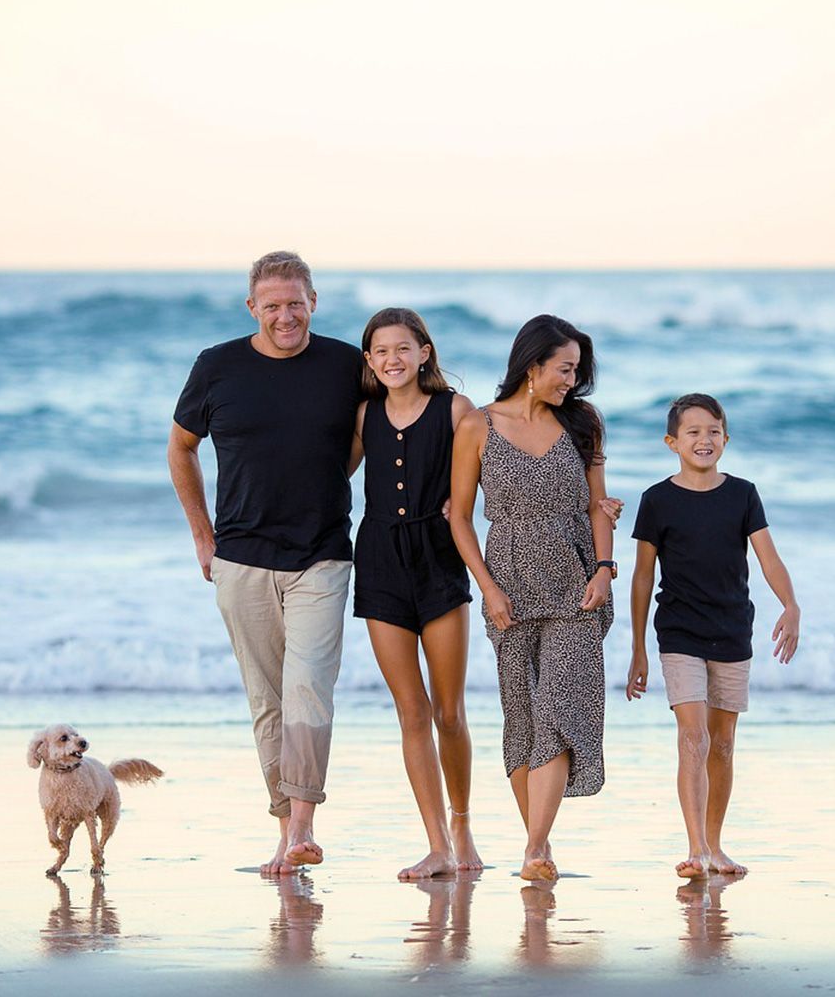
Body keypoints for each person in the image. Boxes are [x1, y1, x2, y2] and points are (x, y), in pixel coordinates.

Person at [168, 250, 363, 875]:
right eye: (272, 305)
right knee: (267, 699)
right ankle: (285, 830)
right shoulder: (216, 367)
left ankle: (303, 824)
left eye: (296, 304)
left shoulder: (344, 364)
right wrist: (203, 534)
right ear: (252, 307)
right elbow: (181, 447)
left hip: (323, 554)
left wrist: (327, 483)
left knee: (309, 689)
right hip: (241, 558)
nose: (286, 316)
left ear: (314, 302)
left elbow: (371, 432)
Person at [450, 314, 618, 882]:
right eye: (564, 369)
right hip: (509, 587)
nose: (571, 381)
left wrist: (604, 569)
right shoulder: (477, 426)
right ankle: (537, 850)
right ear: (532, 365)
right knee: (521, 720)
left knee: (558, 709)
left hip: (576, 584)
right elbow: (460, 518)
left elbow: (598, 505)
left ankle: (537, 847)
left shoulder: (583, 423)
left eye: (576, 371)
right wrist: (487, 588)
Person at [626, 393, 800, 878]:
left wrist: (791, 605)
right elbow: (643, 577)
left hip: (731, 630)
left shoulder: (743, 494)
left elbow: (768, 557)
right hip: (679, 631)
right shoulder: (656, 500)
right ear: (672, 442)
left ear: (726, 438)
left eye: (713, 432)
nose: (704, 440)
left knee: (723, 743)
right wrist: (638, 647)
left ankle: (716, 845)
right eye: (693, 433)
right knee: (693, 737)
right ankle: (696, 847)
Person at [351, 307, 482, 879]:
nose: (392, 360)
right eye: (381, 351)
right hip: (379, 561)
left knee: (449, 712)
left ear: (425, 352)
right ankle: (435, 845)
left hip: (439, 560)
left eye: (403, 348)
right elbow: (326, 478)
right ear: (369, 361)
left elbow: (492, 472)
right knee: (412, 710)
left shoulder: (456, 410)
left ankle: (461, 824)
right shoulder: (363, 417)